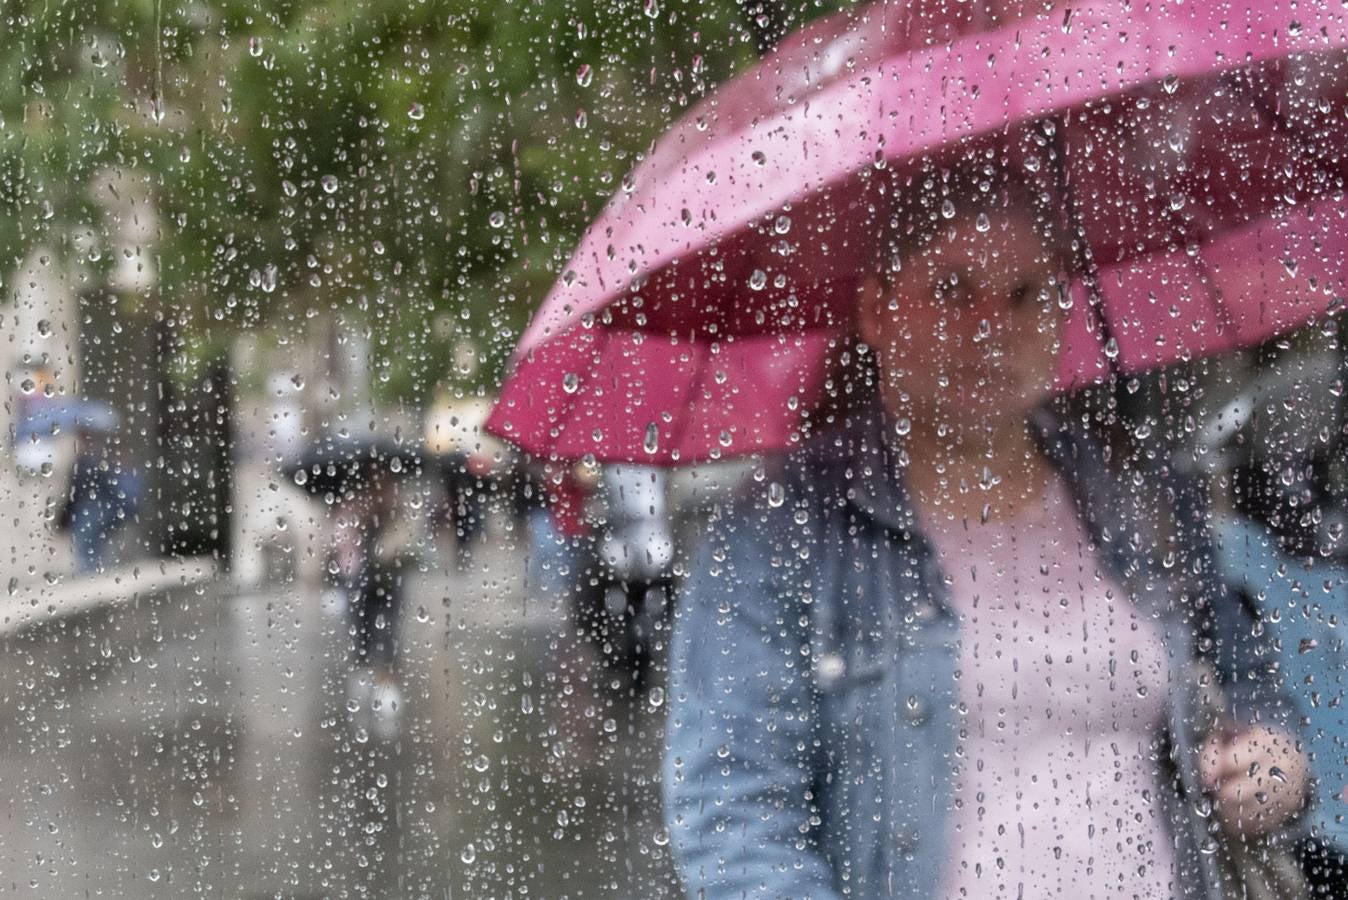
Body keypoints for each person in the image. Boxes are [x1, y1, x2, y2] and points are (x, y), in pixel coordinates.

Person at [662, 161, 1310, 899]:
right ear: (876, 310)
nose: (991, 328)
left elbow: (1245, 674)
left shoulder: (1138, 493)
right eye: (952, 290)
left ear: (1064, 310)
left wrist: (1273, 765)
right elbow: (735, 819)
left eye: (1025, 294)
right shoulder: (780, 531)